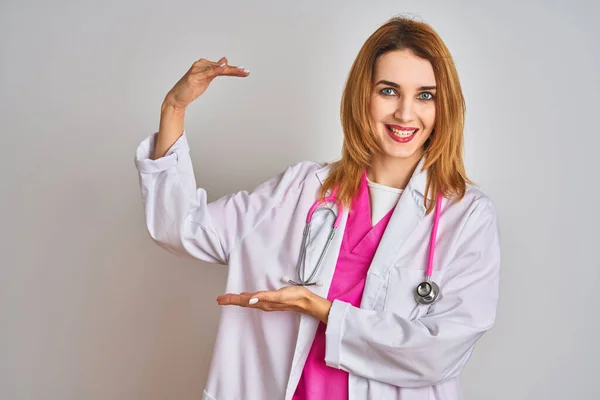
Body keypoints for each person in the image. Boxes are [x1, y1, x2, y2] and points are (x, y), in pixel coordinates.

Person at [134, 15, 501, 400]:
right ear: (363, 95)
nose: (405, 114)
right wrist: (174, 109)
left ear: (445, 106)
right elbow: (180, 228)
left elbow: (438, 353)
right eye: (389, 91)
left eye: (425, 95)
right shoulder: (301, 190)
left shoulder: (468, 216)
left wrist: (323, 310)